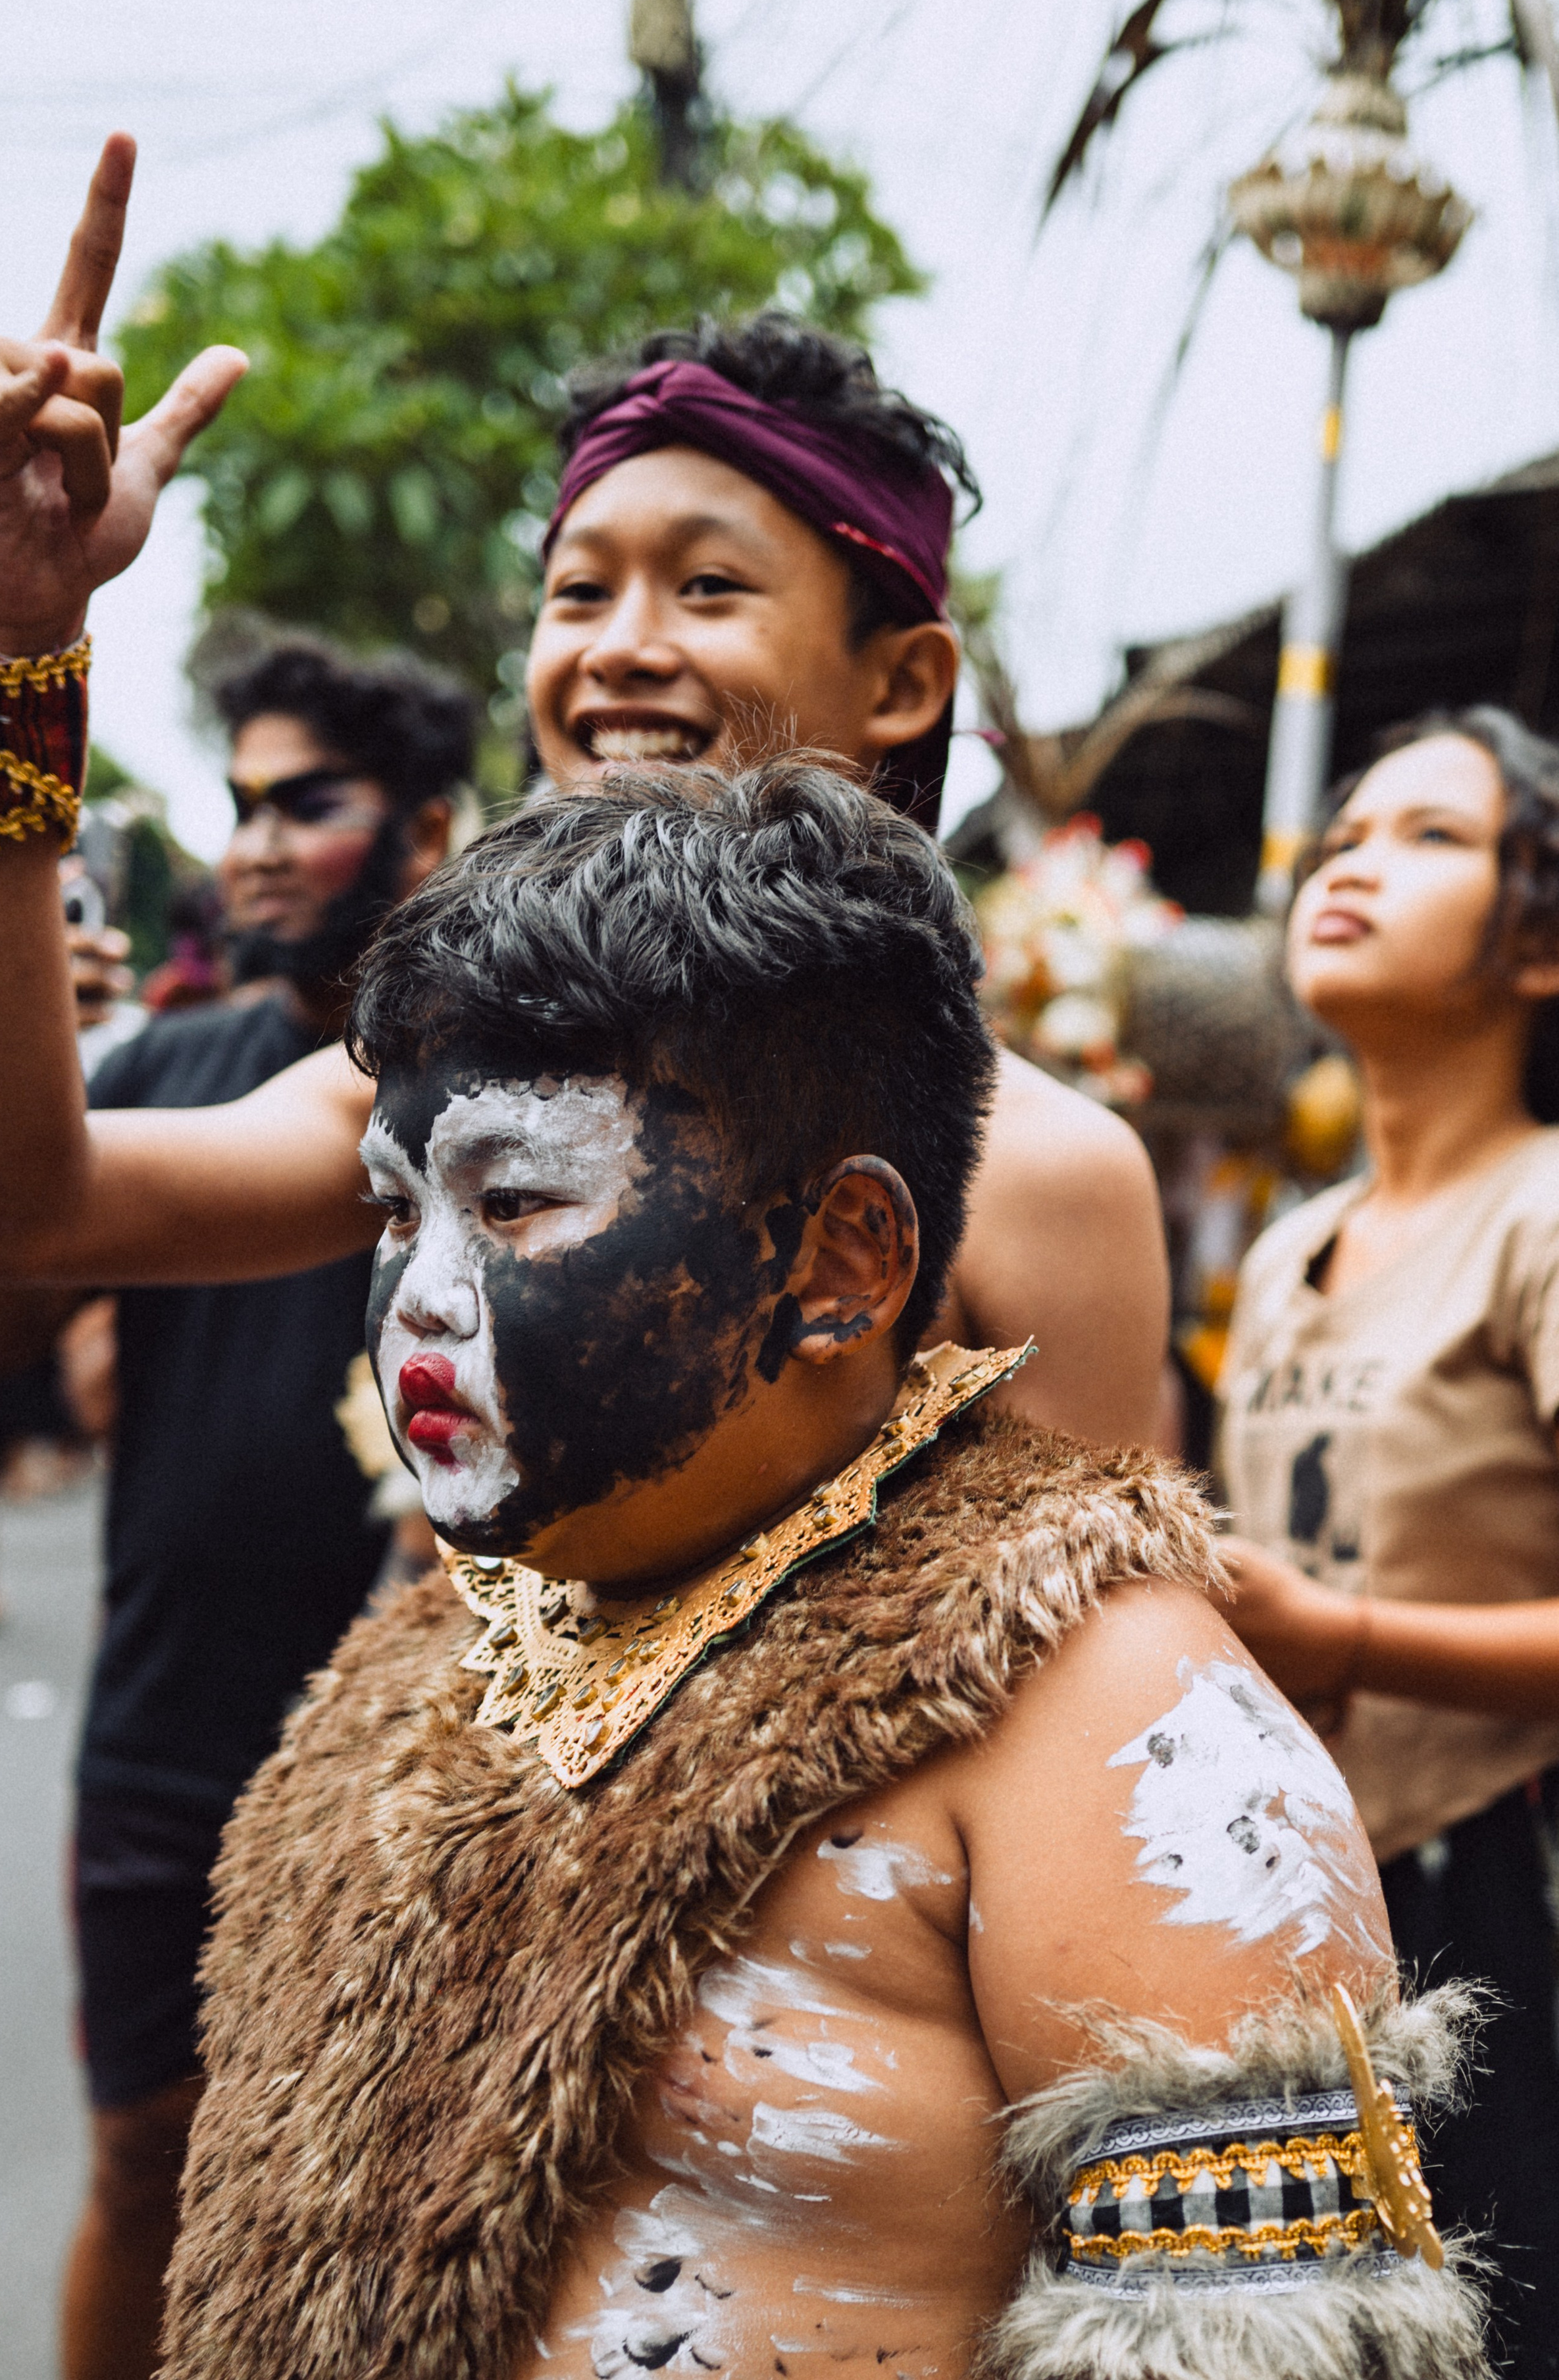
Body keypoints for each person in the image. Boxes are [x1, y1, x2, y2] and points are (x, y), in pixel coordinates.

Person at [151, 758, 1480, 2379]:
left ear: (839, 1261)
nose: (422, 1296)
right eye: (394, 1211)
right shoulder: (418, 1663)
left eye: (513, 1200)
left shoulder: (1125, 1729)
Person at [0, 134, 1167, 1462]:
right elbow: (6, 1214)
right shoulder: (449, 1083)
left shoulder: (1035, 1173)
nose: (614, 644)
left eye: (706, 587)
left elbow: (1070, 1642)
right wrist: (14, 634)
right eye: (576, 591)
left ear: (903, 679)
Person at [0, 629, 474, 2380]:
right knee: (147, 2157)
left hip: (435, 1751)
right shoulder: (174, 1069)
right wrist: (20, 1021)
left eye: (306, 801)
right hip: (170, 1734)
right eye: (238, 802)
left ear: (433, 828)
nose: (251, 841)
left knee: (414, 2206)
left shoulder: (515, 1097)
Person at [1216, 708, 1559, 2380]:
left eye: (1430, 836)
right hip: (1318, 1906)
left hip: (1506, 1890)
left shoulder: (1540, 1212)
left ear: (1540, 942)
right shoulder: (1290, 1250)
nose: (1353, 860)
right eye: (1346, 830)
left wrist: (1344, 1639)